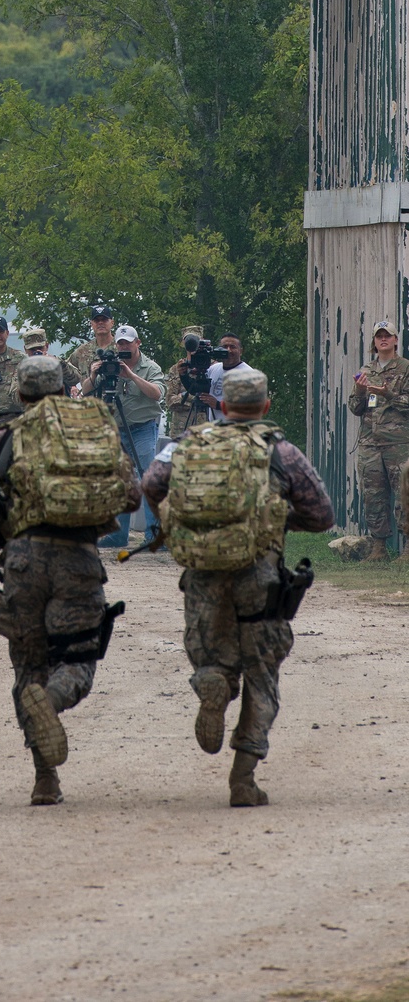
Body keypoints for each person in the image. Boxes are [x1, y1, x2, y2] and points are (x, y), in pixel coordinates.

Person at [142, 367, 333, 807]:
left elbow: (150, 485)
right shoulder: (280, 450)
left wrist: (179, 523)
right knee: (262, 676)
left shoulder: (186, 443)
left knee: (213, 653)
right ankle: (243, 780)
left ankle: (213, 681)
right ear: (265, 407)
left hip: (203, 573)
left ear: (223, 405)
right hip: (260, 576)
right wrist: (277, 519)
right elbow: (322, 515)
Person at [0, 355, 139, 806]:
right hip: (79, 559)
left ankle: (44, 779)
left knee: (28, 666)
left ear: (19, 395)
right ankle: (53, 701)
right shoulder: (94, 431)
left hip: (23, 563)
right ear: (62, 391)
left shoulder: (1, 440)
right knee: (76, 658)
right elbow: (132, 495)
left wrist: (1, 528)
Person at [84, 324, 166, 547]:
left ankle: (154, 535)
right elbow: (84, 390)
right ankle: (118, 535)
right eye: (120, 343)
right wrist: (94, 374)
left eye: (128, 343)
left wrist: (129, 375)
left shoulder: (149, 367)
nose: (124, 347)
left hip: (142, 429)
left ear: (137, 343)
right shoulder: (110, 365)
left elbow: (157, 394)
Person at [348, 318, 409, 560]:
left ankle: (407, 548)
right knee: (373, 496)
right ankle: (379, 547)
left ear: (395, 340)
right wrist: (361, 392)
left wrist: (388, 394)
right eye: (378, 336)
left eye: (387, 335)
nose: (383, 339)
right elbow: (355, 408)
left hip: (398, 444)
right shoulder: (366, 371)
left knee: (405, 495)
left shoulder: (405, 368)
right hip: (370, 444)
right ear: (374, 342)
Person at [165, 326, 208, 437]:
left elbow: (213, 400)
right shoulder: (178, 368)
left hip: (205, 430)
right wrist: (196, 398)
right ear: (183, 343)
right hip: (181, 430)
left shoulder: (211, 367)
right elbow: (170, 401)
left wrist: (184, 396)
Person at [69, 304, 116, 388]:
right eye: (97, 320)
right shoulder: (82, 351)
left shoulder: (121, 347)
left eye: (104, 320)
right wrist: (73, 386)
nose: (100, 323)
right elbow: (66, 370)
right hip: (90, 398)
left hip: (118, 398)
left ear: (112, 322)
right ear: (92, 324)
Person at [21, 327, 79, 395]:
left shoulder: (58, 363)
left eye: (40, 348)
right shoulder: (21, 368)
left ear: (47, 346)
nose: (37, 352)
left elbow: (76, 379)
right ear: (25, 350)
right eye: (32, 349)